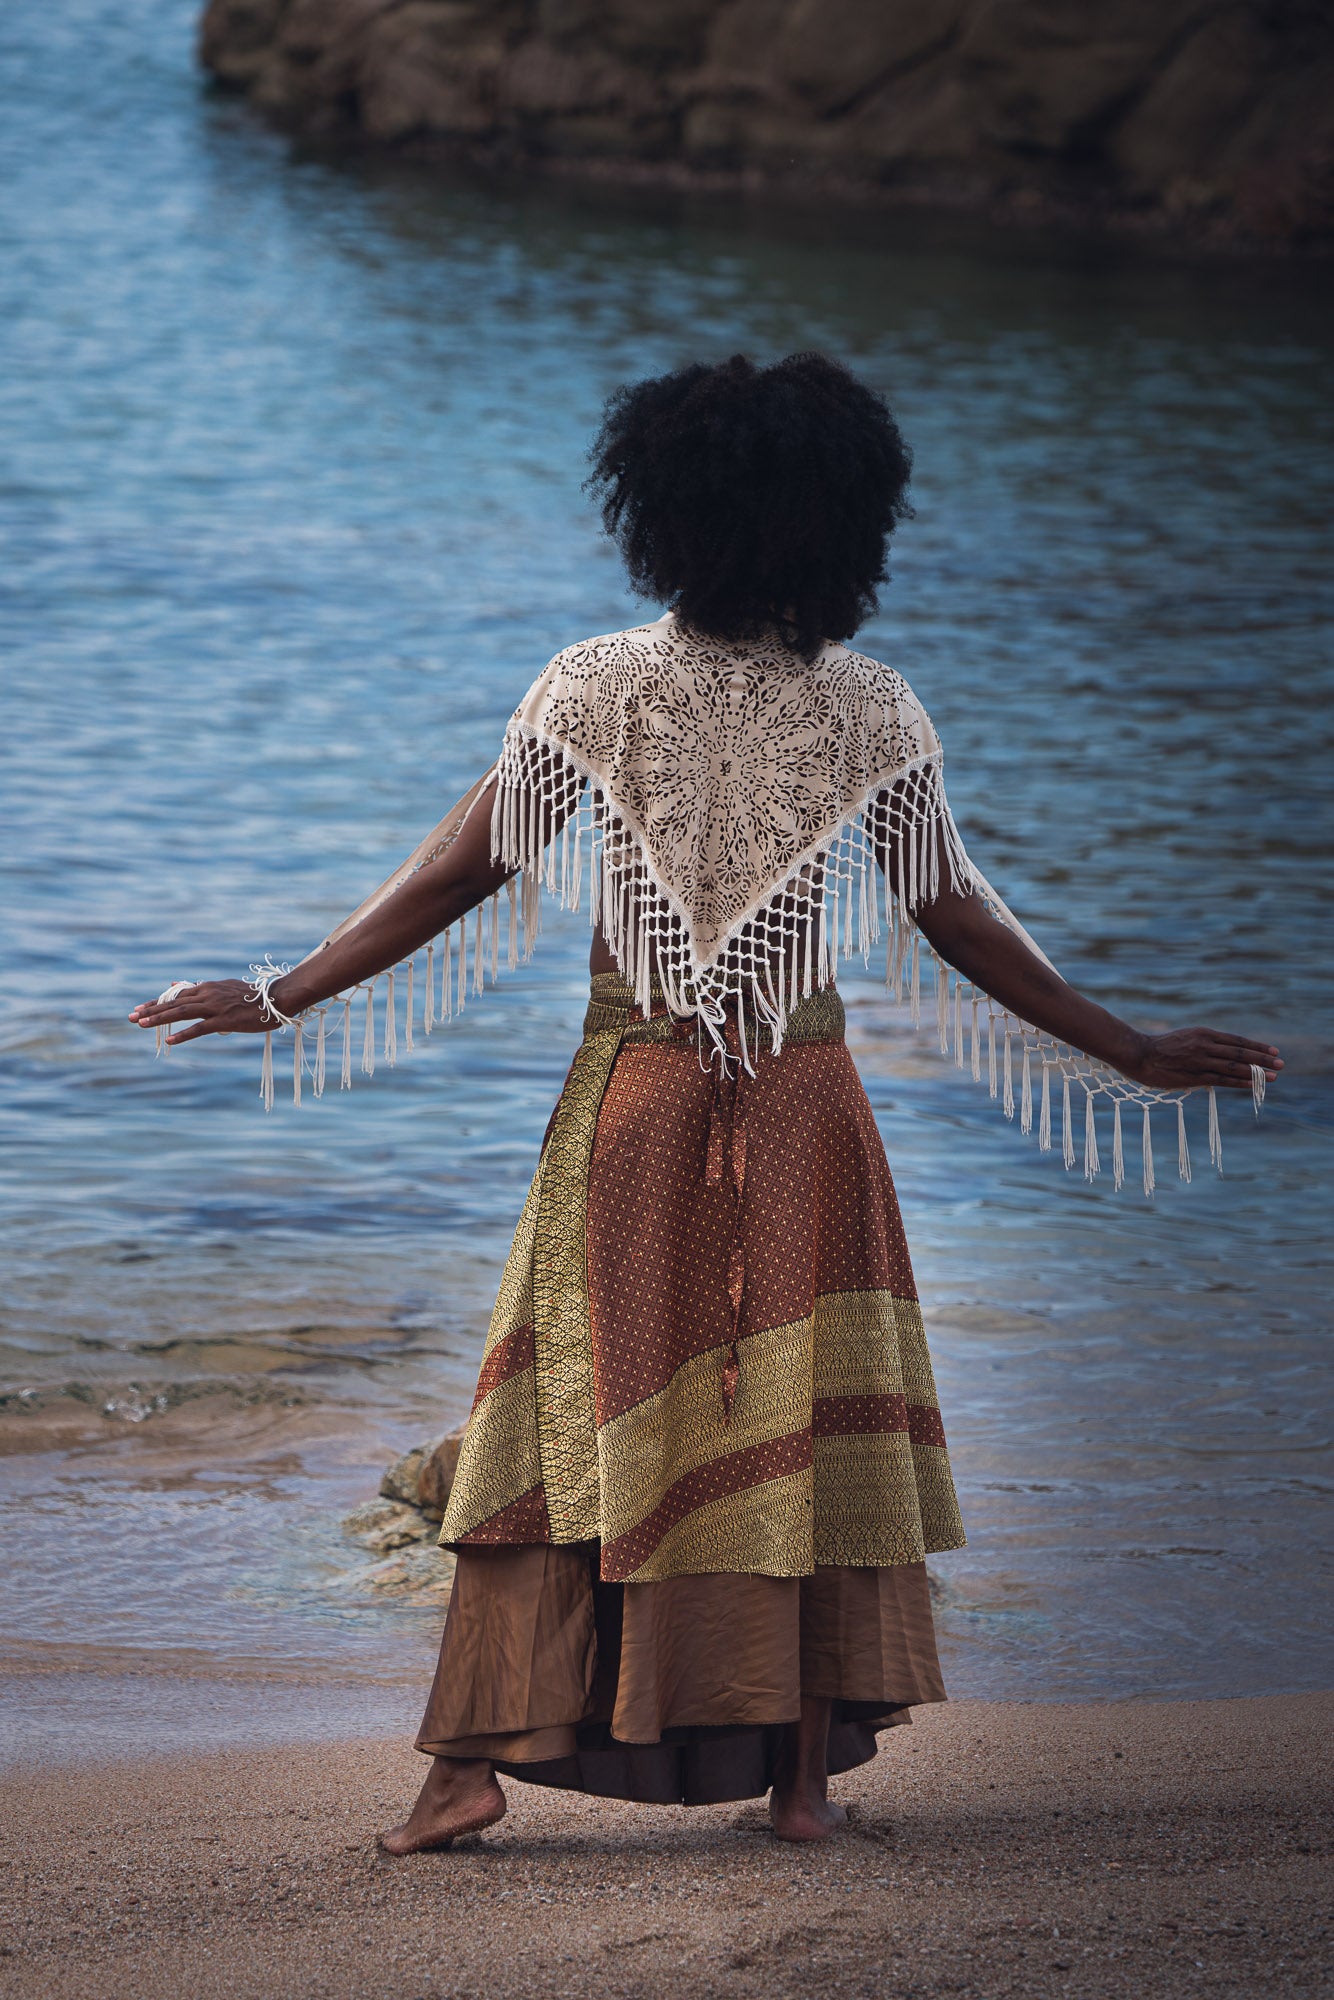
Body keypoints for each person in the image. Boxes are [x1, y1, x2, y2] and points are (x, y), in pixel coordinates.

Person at [130, 353, 1281, 1850]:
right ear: (843, 526)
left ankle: (467, 1766)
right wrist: (1119, 1047)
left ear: (659, 514)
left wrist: (283, 991)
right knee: (801, 1432)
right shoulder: (870, 710)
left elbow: (458, 871)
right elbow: (955, 917)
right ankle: (799, 1790)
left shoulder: (595, 686)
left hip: (641, 1097)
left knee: (550, 1421)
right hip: (809, 1105)